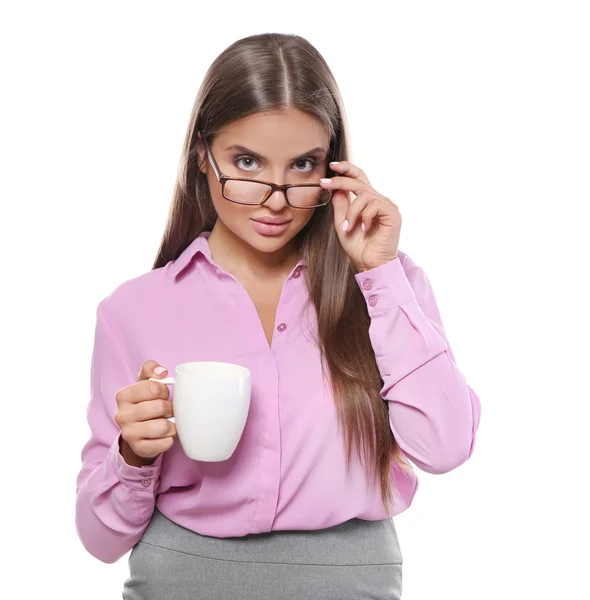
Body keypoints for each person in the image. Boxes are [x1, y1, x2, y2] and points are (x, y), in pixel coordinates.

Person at [75, 32, 481, 600]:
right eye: (247, 162)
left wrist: (379, 276)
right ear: (202, 156)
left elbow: (445, 447)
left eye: (303, 166)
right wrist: (134, 455)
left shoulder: (387, 285)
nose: (277, 197)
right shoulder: (133, 311)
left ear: (333, 166)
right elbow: (100, 539)